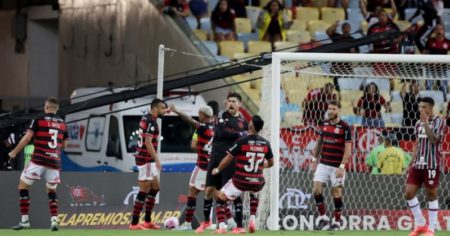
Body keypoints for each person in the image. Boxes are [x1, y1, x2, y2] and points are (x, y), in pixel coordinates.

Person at [8, 97, 68, 231]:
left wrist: (14, 152)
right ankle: (54, 221)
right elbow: (65, 144)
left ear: (46, 107)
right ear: (56, 109)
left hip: (39, 160)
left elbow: (27, 138)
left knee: (23, 185)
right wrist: (54, 152)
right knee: (51, 190)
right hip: (54, 162)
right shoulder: (63, 124)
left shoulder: (39, 119)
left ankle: (24, 221)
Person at [211, 115, 274, 234]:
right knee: (254, 195)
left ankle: (222, 227)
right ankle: (252, 220)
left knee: (220, 199)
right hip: (257, 181)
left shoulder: (242, 141)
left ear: (250, 126)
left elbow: (227, 159)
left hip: (240, 180)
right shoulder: (266, 143)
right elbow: (271, 163)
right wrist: (260, 166)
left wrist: (217, 169)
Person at [198, 93, 249, 234]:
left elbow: (245, 139)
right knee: (208, 190)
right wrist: (239, 134)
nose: (231, 103)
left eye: (234, 101)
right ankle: (206, 222)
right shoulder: (221, 115)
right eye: (229, 101)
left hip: (231, 159)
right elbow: (221, 132)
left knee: (234, 192)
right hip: (216, 156)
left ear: (239, 105)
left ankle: (238, 225)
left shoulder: (243, 122)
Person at [169, 105, 215, 230]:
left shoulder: (203, 127)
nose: (198, 115)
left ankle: (188, 224)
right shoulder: (216, 128)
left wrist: (177, 110)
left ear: (202, 115)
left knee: (192, 193)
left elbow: (188, 120)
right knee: (210, 194)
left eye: (199, 113)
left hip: (202, 167)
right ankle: (210, 222)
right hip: (212, 167)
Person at [405, 97, 445, 236]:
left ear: (431, 108)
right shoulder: (417, 123)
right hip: (418, 164)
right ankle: (421, 224)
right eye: (420, 107)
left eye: (424, 107)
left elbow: (434, 140)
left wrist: (426, 123)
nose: (421, 109)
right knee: (409, 193)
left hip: (432, 164)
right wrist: (411, 160)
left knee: (431, 195)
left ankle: (431, 230)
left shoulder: (440, 121)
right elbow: (417, 143)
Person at [310, 100, 352, 230]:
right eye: (329, 108)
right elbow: (319, 142)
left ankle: (337, 222)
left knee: (336, 192)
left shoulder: (345, 127)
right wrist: (313, 159)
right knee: (316, 189)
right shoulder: (324, 124)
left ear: (339, 110)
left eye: (333, 109)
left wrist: (342, 166)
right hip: (323, 163)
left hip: (336, 166)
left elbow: (348, 149)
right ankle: (323, 218)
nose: (330, 111)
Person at [129, 98, 166, 230]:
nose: (164, 111)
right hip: (146, 159)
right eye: (162, 108)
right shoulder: (151, 121)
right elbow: (148, 142)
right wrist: (157, 159)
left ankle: (147, 220)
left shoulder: (146, 118)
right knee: (143, 190)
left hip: (146, 159)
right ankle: (134, 223)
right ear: (155, 108)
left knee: (155, 187)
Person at [423, 24, 450, 98]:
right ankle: (427, 100)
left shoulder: (448, 42)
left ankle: (444, 103)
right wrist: (427, 63)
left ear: (443, 31)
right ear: (434, 31)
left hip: (443, 69)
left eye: (441, 29)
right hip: (431, 68)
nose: (439, 31)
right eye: (437, 29)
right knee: (428, 87)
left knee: (443, 88)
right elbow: (425, 54)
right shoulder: (429, 41)